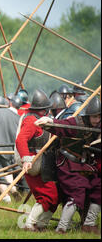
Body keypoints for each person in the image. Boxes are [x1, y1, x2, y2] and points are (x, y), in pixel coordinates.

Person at [35, 96, 101, 234]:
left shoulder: (99, 125)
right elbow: (61, 126)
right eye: (94, 117)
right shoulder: (76, 123)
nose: (97, 120)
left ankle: (88, 224)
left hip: (86, 165)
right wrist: (50, 121)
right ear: (88, 116)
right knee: (77, 193)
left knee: (97, 188)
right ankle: (62, 228)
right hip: (68, 164)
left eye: (99, 116)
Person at [14, 89, 59, 231]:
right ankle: (29, 224)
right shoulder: (30, 120)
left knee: (54, 197)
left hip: (43, 162)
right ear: (43, 109)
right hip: (34, 163)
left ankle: (41, 225)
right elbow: (21, 140)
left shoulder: (38, 119)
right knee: (47, 196)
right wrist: (27, 160)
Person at [0, 95, 21, 203]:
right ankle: (13, 189)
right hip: (8, 149)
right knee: (8, 170)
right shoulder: (17, 117)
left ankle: (6, 198)